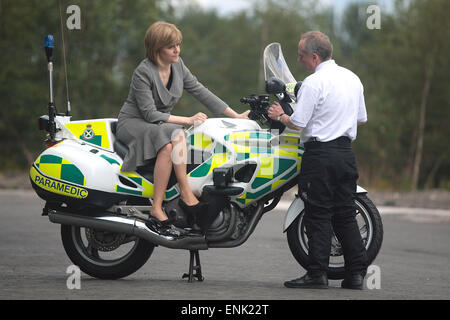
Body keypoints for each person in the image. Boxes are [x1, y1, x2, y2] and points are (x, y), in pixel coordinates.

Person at [117, 21, 249, 236]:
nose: (177, 49)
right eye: (171, 46)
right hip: (134, 123)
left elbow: (200, 91)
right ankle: (180, 197)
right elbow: (150, 114)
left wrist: (235, 115)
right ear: (157, 49)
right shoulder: (143, 72)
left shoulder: (177, 65)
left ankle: (163, 204)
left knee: (170, 147)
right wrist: (187, 120)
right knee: (177, 133)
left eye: (178, 44)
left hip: (159, 125)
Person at [268, 31, 368, 290]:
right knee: (345, 213)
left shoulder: (313, 83)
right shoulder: (353, 78)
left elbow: (298, 123)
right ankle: (356, 275)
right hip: (346, 153)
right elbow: (360, 118)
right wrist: (334, 120)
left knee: (318, 214)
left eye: (301, 56)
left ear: (314, 56)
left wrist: (280, 115)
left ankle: (316, 274)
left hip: (320, 155)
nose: (299, 60)